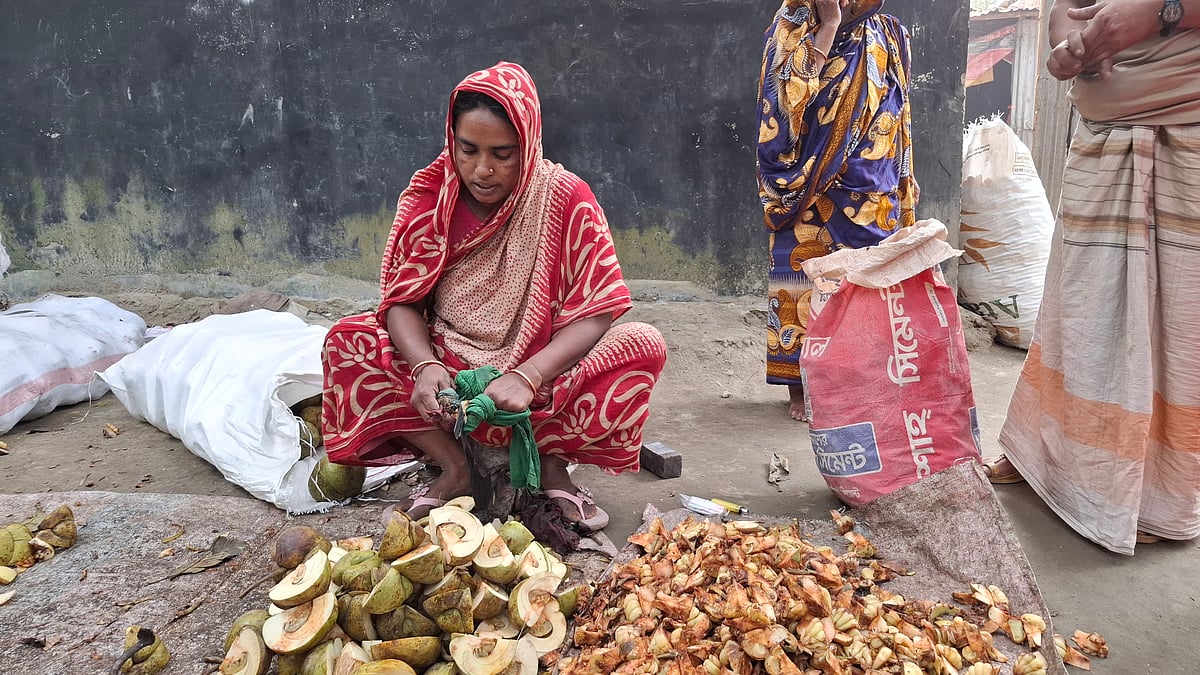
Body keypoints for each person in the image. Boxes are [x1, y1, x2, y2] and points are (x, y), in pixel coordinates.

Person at [320, 62, 668, 530]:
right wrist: (424, 365)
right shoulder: (431, 196)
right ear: (452, 140)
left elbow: (599, 308)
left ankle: (551, 465)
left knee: (642, 345)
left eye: (502, 154)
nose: (482, 170)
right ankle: (455, 468)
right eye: (468, 150)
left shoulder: (565, 198)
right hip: (451, 377)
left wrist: (528, 374)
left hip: (538, 379)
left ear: (529, 141)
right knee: (347, 339)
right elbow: (400, 300)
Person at [984, 0, 1200, 555]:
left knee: (1176, 321)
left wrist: (1161, 16)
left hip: (1186, 126)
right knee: (1078, 307)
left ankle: (1155, 496)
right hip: (1103, 133)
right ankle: (1048, 462)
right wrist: (1069, 47)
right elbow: (1066, 11)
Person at [756, 0, 919, 421]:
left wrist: (901, 175)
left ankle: (861, 380)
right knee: (802, 274)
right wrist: (828, 24)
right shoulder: (794, 22)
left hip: (873, 180)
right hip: (808, 177)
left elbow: (898, 110)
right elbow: (786, 98)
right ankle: (800, 386)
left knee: (865, 285)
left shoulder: (887, 31)